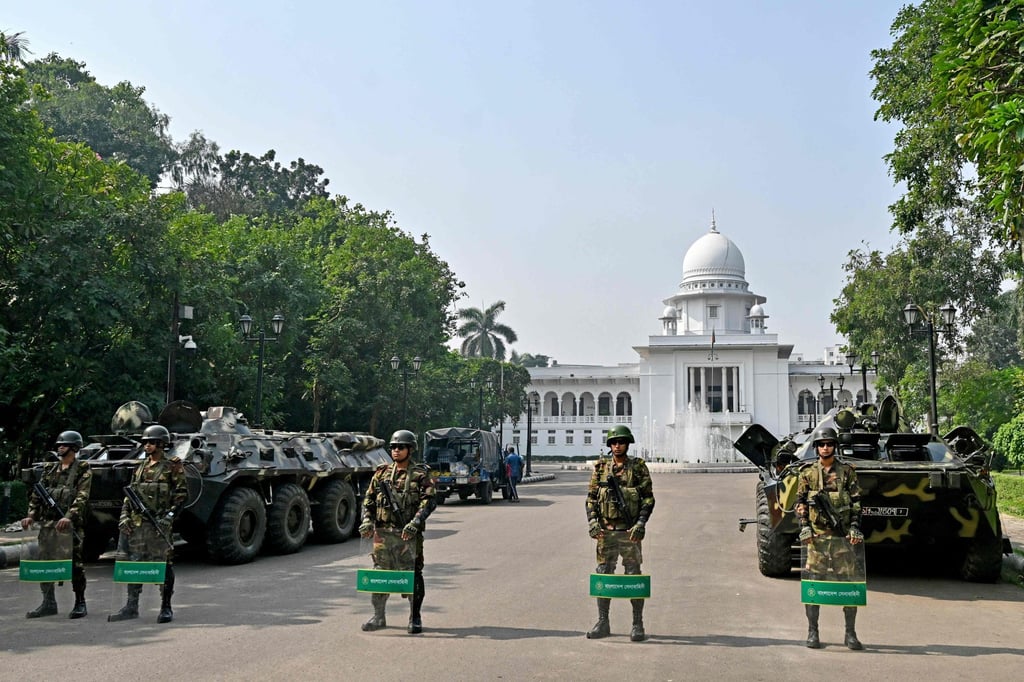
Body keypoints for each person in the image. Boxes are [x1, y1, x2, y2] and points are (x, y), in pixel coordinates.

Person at [359, 429, 436, 634]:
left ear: (410, 449)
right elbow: (369, 501)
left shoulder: (420, 475)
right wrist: (367, 521)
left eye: (400, 447)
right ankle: (378, 616)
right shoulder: (382, 473)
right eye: (393, 447)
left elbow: (428, 502)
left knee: (412, 575)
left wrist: (415, 523)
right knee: (380, 575)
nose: (395, 450)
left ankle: (415, 617)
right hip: (383, 534)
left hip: (408, 535)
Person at [109, 424, 186, 624]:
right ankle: (131, 605)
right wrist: (124, 517)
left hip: (159, 525)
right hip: (137, 525)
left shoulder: (172, 467)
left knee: (163, 565)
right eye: (145, 442)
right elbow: (129, 496)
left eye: (151, 442)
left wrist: (169, 517)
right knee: (134, 564)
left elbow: (181, 496)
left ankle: (165, 606)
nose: (147, 446)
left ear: (161, 444)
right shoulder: (140, 468)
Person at [795, 426, 864, 650]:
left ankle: (850, 633)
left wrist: (854, 527)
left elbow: (856, 503)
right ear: (816, 447)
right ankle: (813, 632)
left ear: (835, 446)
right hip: (817, 539)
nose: (826, 447)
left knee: (849, 586)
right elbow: (800, 503)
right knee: (814, 586)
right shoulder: (807, 473)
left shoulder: (847, 472)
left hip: (842, 538)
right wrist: (804, 527)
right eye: (822, 444)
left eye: (829, 444)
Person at [585, 425, 655, 642]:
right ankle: (603, 621)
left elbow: (648, 498)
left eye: (621, 442)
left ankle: (637, 623)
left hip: (629, 532)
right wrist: (593, 522)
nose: (617, 446)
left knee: (633, 576)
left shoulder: (638, 467)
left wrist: (641, 523)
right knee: (604, 575)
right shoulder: (600, 468)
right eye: (614, 442)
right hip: (606, 533)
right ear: (609, 445)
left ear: (628, 443)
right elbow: (591, 499)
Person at [21, 430, 93, 619]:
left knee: (75, 564)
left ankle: (80, 602)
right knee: (45, 563)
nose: (60, 447)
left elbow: (82, 496)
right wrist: (31, 515)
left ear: (74, 448)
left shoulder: (82, 469)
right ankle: (48, 603)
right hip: (48, 525)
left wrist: (69, 516)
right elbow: (38, 495)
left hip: (70, 527)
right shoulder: (50, 470)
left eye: (64, 444)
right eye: (59, 444)